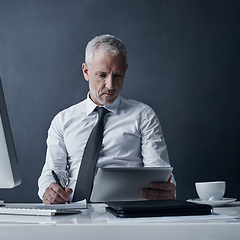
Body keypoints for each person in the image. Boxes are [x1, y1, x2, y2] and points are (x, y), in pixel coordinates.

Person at [38, 34, 176, 204]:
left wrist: (166, 190)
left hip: (127, 212)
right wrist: (48, 189)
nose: (110, 85)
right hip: (73, 213)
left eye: (117, 76)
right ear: (86, 71)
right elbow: (51, 172)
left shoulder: (143, 115)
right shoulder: (62, 120)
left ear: (125, 71)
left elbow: (159, 172)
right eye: (102, 75)